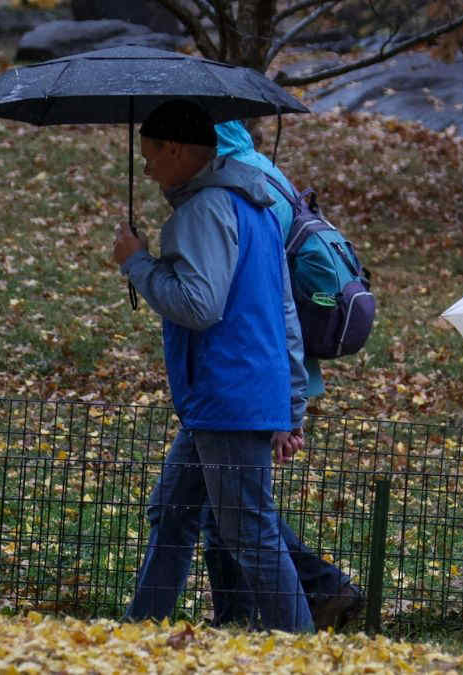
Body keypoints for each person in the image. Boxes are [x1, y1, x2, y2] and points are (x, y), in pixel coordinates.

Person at [113, 99, 312, 632]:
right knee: (172, 513)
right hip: (233, 396)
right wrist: (292, 402)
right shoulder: (260, 207)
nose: (147, 169)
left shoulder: (203, 212)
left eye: (150, 155)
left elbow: (200, 307)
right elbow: (283, 309)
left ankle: (306, 648)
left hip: (226, 396)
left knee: (250, 532)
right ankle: (142, 626)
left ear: (176, 149)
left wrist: (137, 262)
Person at [206, 118, 365, 630]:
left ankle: (319, 590)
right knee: (225, 502)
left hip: (262, 373)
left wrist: (288, 404)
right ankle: (243, 614)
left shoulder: (239, 186)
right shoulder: (263, 172)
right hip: (272, 370)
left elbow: (273, 306)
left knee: (238, 507)